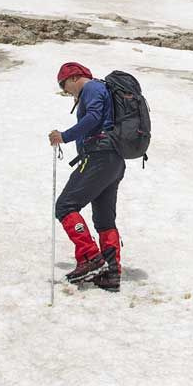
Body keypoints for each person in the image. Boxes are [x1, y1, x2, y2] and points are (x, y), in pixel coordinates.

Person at [50, 62, 124, 291]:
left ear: (73, 78)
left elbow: (92, 118)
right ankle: (111, 273)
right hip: (114, 160)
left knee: (65, 206)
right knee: (104, 219)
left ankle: (91, 258)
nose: (66, 91)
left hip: (98, 157)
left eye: (65, 86)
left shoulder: (91, 88)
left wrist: (64, 136)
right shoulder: (102, 89)